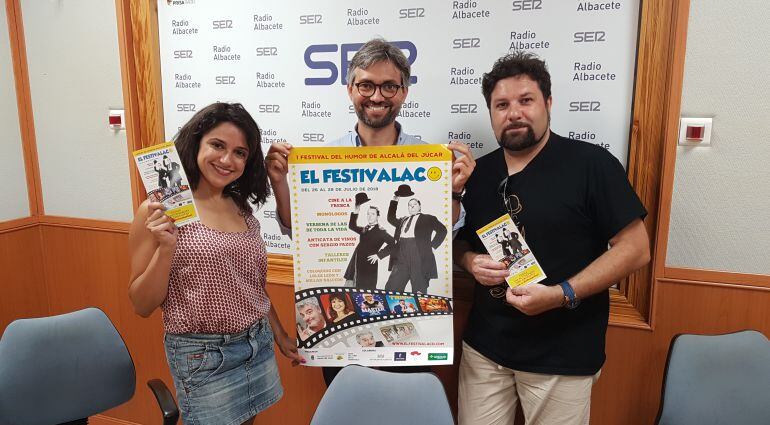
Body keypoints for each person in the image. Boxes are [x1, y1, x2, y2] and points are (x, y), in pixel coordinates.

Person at [265, 38, 475, 386]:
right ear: (350, 89)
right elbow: (295, 231)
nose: (377, 96)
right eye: (366, 85)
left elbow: (448, 233)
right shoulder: (321, 158)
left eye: (389, 86)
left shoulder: (430, 158)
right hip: (344, 342)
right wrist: (279, 183)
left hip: (414, 338)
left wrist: (454, 191)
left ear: (404, 92)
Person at [454, 52, 650, 425]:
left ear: (548, 103)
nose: (514, 113)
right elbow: (459, 244)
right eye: (501, 105)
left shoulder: (591, 164)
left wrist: (562, 293)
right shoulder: (479, 174)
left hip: (563, 355)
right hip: (485, 352)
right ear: (491, 114)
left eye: (525, 100)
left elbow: (636, 249)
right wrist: (468, 262)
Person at [128, 102, 303, 425]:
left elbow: (250, 285)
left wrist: (279, 335)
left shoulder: (240, 206)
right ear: (196, 143)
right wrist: (166, 248)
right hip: (204, 357)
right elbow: (141, 304)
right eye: (217, 145)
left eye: (240, 152)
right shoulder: (158, 211)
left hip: (256, 342)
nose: (226, 160)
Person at [385, 191, 448, 293]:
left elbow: (442, 230)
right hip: (401, 252)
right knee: (392, 287)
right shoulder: (403, 220)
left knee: (419, 289)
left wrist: (432, 246)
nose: (412, 207)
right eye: (409, 205)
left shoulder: (428, 218)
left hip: (418, 254)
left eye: (414, 204)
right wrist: (395, 200)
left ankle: (420, 307)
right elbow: (390, 218)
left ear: (419, 206)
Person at [344, 196, 394, 289]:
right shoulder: (365, 229)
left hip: (368, 266)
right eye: (368, 214)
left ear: (378, 216)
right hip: (356, 264)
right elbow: (351, 226)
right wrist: (357, 208)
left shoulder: (381, 232)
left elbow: (394, 244)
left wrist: (379, 255)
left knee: (366, 293)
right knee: (350, 291)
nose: (369, 216)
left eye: (373, 214)